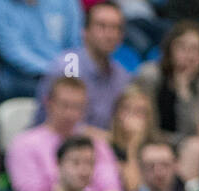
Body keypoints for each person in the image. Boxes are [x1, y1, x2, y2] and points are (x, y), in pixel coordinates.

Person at [6, 76, 123, 191]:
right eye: (65, 105)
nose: (71, 114)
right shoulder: (23, 144)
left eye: (77, 107)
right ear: (48, 103)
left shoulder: (97, 144)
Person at [35, 2, 130, 133]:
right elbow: (54, 122)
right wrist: (101, 138)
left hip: (102, 149)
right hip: (56, 145)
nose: (110, 34)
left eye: (116, 28)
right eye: (101, 26)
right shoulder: (67, 65)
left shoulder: (122, 76)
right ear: (85, 31)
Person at [0, 0, 83, 102]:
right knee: (3, 84)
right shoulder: (0, 4)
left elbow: (76, 43)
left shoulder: (67, 2)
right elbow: (10, 49)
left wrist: (66, 70)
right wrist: (53, 70)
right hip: (20, 76)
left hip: (64, 72)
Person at [136, 21, 199, 142]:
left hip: (178, 144)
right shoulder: (149, 74)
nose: (189, 55)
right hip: (147, 140)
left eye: (196, 49)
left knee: (196, 145)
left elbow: (190, 131)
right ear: (170, 49)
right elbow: (142, 122)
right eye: (183, 47)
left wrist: (183, 91)